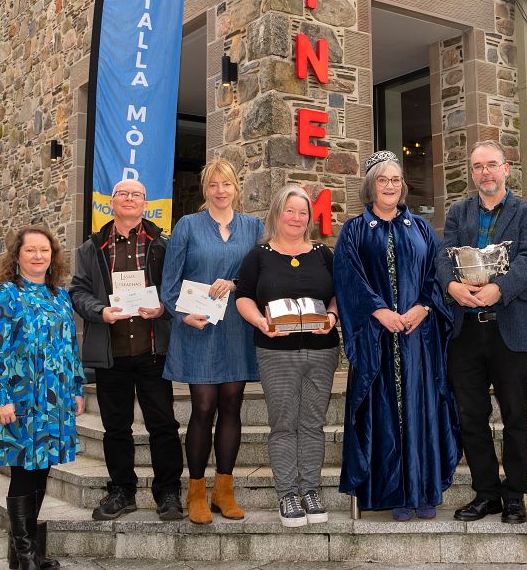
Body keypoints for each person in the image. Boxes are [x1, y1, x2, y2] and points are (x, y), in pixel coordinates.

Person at [335, 152, 459, 521]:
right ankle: (394, 494)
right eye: (382, 180)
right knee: (385, 410)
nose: (390, 186)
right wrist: (379, 311)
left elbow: (438, 272)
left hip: (418, 338)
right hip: (377, 337)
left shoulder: (420, 228)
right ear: (370, 185)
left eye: (395, 180)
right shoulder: (354, 230)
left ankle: (423, 490)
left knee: (420, 408)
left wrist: (424, 307)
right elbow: (348, 277)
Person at [435, 140, 527, 525]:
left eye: (492, 165)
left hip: (510, 329)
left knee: (515, 415)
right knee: (471, 416)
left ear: (506, 169)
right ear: (472, 173)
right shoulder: (458, 212)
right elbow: (443, 256)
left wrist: (500, 288)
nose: (485, 172)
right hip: (466, 331)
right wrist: (451, 286)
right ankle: (486, 494)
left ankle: (515, 495)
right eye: (478, 166)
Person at [69, 178, 184, 522]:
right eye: (123, 194)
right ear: (112, 202)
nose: (130, 199)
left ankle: (168, 491)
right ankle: (122, 490)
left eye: (137, 194)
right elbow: (78, 291)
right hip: (111, 352)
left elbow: (176, 287)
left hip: (153, 350)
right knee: (116, 427)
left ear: (145, 203)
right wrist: (100, 311)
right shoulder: (92, 247)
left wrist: (163, 307)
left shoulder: (163, 244)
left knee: (163, 425)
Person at [0, 226, 84, 570]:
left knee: (41, 470)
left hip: (54, 399)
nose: (39, 256)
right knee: (24, 471)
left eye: (44, 250)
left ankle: (24, 551)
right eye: (31, 250)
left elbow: (70, 346)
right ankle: (26, 558)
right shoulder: (3, 295)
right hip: (20, 399)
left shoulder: (59, 296)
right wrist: (0, 396)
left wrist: (76, 387)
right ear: (17, 256)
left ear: (52, 256)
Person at [161, 158, 263, 524]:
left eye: (226, 184)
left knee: (232, 405)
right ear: (205, 190)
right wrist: (182, 315)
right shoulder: (188, 226)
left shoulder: (254, 227)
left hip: (236, 326)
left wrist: (234, 284)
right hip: (198, 328)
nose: (220, 191)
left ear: (236, 187)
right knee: (203, 407)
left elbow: (261, 277)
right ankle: (196, 491)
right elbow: (169, 285)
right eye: (213, 185)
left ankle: (224, 490)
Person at [234, 185, 340, 527]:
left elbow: (339, 294)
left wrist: (332, 317)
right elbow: (243, 296)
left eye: (303, 212)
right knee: (283, 424)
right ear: (277, 214)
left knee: (312, 423)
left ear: (310, 218)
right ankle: (288, 494)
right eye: (289, 211)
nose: (296, 218)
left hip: (322, 351)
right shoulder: (258, 256)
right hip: (276, 352)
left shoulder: (323, 254)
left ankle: (310, 490)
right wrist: (260, 322)